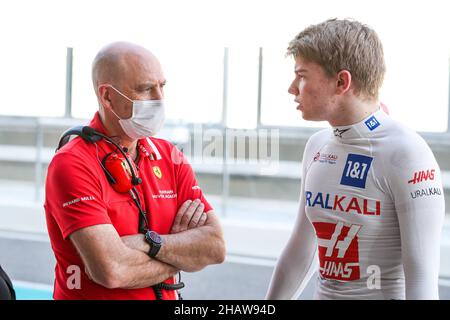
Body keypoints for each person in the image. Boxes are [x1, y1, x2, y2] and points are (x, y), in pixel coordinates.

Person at [266, 19, 445, 300]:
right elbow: (301, 252)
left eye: (302, 75)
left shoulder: (408, 153)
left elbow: (422, 282)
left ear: (341, 82)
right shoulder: (317, 146)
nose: (292, 88)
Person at [44, 42, 226, 300]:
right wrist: (182, 254)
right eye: (145, 89)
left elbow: (215, 246)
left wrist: (148, 242)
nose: (159, 100)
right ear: (108, 97)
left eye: (162, 87)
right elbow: (112, 270)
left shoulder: (169, 155)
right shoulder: (72, 163)